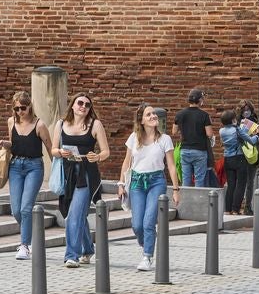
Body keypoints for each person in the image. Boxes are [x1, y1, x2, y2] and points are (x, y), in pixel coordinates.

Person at [118, 104, 177, 272]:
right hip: (136, 182)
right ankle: (147, 243)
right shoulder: (133, 138)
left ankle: (147, 256)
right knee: (137, 225)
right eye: (148, 114)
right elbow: (126, 162)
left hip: (156, 181)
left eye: (154, 114)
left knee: (148, 221)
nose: (153, 116)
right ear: (141, 120)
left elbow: (171, 166)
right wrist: (121, 184)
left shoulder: (164, 139)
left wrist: (176, 189)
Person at [54, 93, 109, 269]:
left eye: (87, 105)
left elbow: (106, 152)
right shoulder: (61, 124)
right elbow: (54, 149)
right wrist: (60, 152)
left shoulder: (95, 125)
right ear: (72, 105)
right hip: (68, 173)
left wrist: (97, 157)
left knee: (74, 215)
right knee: (79, 214)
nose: (83, 107)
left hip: (86, 174)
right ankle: (87, 249)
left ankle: (72, 255)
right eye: (80, 103)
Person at [0, 90, 52, 259]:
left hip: (34, 167)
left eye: (23, 108)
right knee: (16, 210)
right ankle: (30, 235)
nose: (20, 112)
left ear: (30, 107)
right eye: (17, 109)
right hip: (15, 166)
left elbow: (50, 148)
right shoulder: (11, 122)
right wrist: (3, 143)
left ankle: (24, 245)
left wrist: (58, 171)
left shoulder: (39, 125)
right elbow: (13, 144)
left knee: (26, 207)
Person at [220, 108, 259, 216]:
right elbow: (251, 141)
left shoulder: (221, 131)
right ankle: (235, 209)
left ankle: (227, 209)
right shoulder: (237, 130)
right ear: (233, 120)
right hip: (239, 158)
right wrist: (257, 136)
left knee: (231, 184)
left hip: (227, 159)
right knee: (241, 184)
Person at [174, 88, 214, 190]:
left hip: (185, 150)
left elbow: (174, 131)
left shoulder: (180, 114)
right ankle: (198, 204)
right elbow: (209, 134)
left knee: (185, 179)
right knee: (199, 180)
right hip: (200, 151)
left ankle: (185, 204)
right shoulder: (204, 115)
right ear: (200, 100)